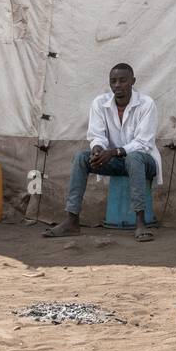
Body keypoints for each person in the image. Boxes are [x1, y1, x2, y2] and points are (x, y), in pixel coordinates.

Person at [44, 62, 161, 242]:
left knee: (134, 157)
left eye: (123, 81)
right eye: (113, 81)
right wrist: (98, 149)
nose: (117, 85)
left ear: (133, 81)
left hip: (145, 162)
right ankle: (71, 220)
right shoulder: (100, 103)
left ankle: (140, 222)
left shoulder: (146, 104)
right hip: (115, 161)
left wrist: (113, 152)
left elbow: (143, 143)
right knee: (81, 158)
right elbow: (96, 135)